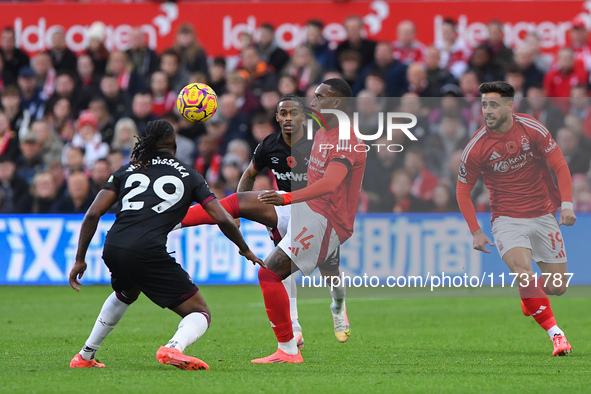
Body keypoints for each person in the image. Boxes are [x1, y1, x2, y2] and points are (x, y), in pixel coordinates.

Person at [181, 79, 365, 363]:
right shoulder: (290, 140)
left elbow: (330, 184)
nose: (311, 102)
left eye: (318, 98)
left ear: (336, 104)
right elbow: (252, 176)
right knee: (236, 205)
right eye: (284, 113)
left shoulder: (342, 138)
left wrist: (288, 199)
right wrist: (238, 215)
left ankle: (336, 307)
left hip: (326, 220)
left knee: (318, 272)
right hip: (298, 206)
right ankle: (171, 221)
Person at [68, 120, 263, 370]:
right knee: (199, 313)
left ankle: (84, 357)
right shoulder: (188, 175)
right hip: (147, 250)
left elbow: (92, 214)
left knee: (127, 292)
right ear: (173, 143)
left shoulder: (125, 171)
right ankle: (173, 348)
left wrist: (80, 259)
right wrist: (244, 248)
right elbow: (221, 217)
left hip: (114, 245)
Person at [456, 81, 576, 357]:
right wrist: (475, 230)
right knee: (523, 272)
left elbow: (559, 163)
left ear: (510, 106)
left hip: (544, 214)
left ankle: (531, 297)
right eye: (484, 104)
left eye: (494, 104)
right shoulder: (476, 146)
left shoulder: (531, 128)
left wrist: (566, 205)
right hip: (506, 219)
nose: (487, 110)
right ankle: (557, 336)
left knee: (558, 287)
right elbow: (463, 190)